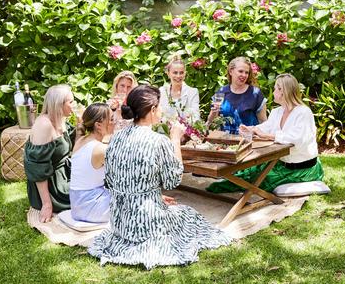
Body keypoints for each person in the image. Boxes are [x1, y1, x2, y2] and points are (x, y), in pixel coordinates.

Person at [88, 85, 231, 269]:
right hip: (147, 222)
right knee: (188, 215)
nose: (162, 110)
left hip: (120, 221)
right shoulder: (158, 141)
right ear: (153, 110)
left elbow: (114, 180)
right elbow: (173, 180)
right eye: (160, 106)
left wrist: (154, 195)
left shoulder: (116, 137)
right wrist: (175, 139)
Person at [207, 74, 324, 193]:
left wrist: (266, 136)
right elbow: (266, 127)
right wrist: (251, 129)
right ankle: (220, 185)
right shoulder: (277, 111)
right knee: (248, 172)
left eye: (275, 89)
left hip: (301, 170)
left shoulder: (303, 112)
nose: (273, 92)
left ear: (282, 91)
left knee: (255, 182)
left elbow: (297, 139)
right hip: (280, 164)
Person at [23, 84, 78, 223]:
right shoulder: (44, 125)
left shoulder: (60, 118)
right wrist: (47, 204)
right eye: (70, 102)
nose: (74, 105)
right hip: (52, 185)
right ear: (58, 104)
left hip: (65, 173)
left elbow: (74, 147)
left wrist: (81, 124)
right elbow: (37, 167)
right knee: (88, 195)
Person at [69, 103, 114, 223]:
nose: (114, 123)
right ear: (98, 125)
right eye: (111, 119)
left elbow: (80, 131)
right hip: (92, 208)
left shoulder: (80, 140)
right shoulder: (100, 149)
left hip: (77, 206)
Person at [207, 56, 267, 134]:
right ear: (231, 71)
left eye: (247, 72)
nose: (244, 75)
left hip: (249, 141)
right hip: (225, 141)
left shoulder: (255, 93)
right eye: (240, 71)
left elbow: (263, 122)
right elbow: (211, 122)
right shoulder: (221, 92)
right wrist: (213, 112)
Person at [158, 54, 200, 121]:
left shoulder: (193, 92)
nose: (178, 76)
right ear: (168, 74)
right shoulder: (162, 91)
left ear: (185, 74)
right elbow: (158, 115)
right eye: (175, 73)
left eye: (181, 73)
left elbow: (196, 117)